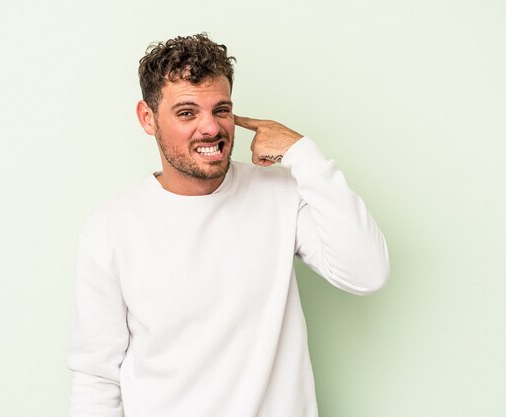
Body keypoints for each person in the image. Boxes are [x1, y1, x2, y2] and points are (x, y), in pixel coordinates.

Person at [68, 33, 389, 417]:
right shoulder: (111, 228)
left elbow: (367, 273)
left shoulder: (281, 192)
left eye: (220, 110)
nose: (210, 128)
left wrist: (303, 154)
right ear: (147, 118)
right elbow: (96, 378)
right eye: (187, 113)